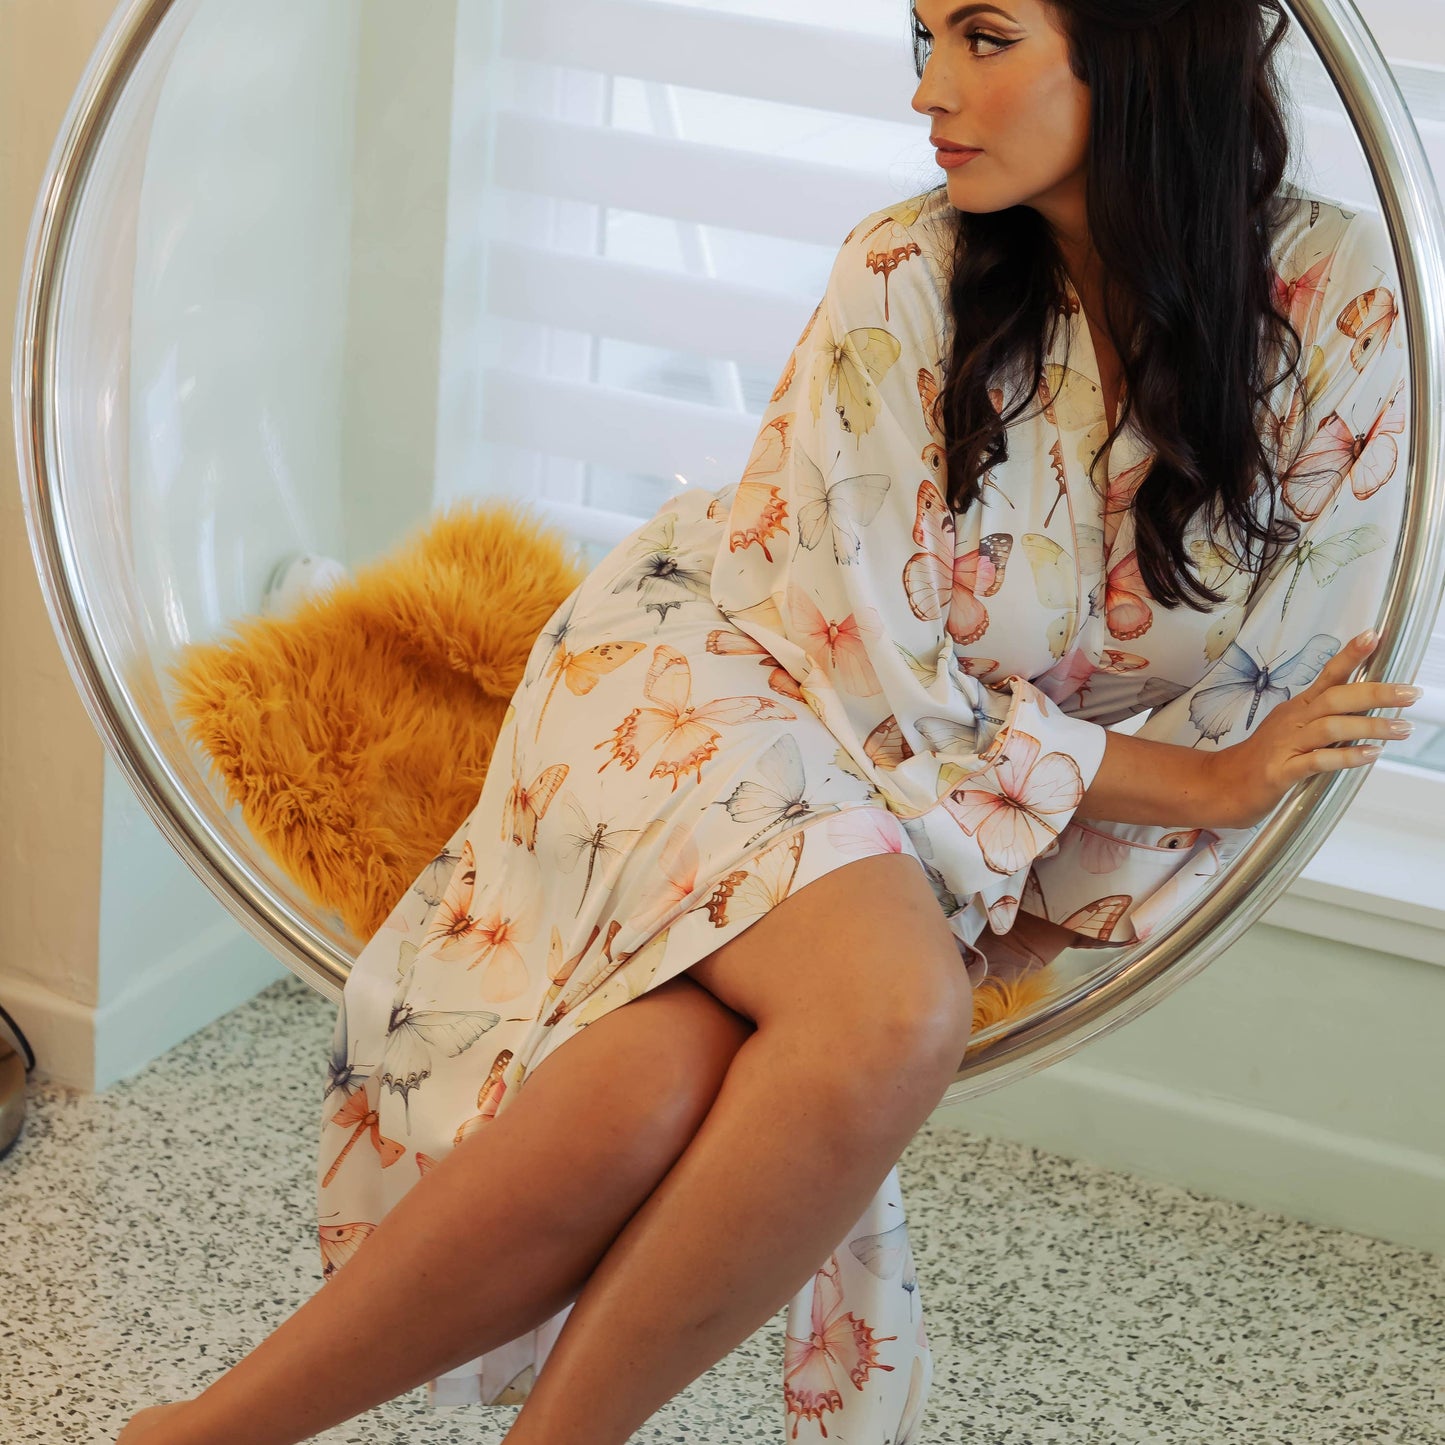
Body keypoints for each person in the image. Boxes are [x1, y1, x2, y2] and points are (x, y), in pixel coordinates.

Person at [117, 1, 1421, 1442]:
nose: (928, 89)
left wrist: (1118, 829)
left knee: (654, 1079)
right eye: (919, 35)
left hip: (939, 797)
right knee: (892, 1003)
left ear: (1141, 43)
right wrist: (1185, 782)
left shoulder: (1341, 304)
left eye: (982, 37)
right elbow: (876, 665)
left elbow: (1284, 675)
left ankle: (189, 1436)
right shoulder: (900, 270)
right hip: (720, 679)